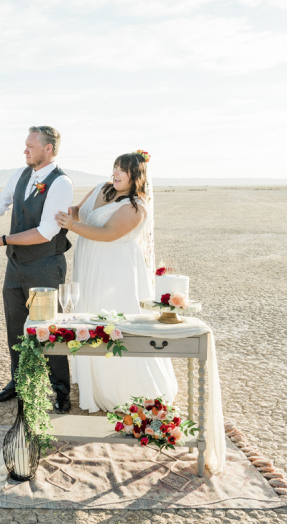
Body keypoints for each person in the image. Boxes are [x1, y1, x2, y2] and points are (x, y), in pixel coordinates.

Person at [0, 126, 75, 413]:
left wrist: (3, 240)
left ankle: (60, 390)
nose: (25, 150)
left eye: (30, 146)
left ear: (48, 149)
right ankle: (18, 383)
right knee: (16, 328)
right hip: (16, 266)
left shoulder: (61, 184)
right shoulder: (21, 176)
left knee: (50, 329)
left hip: (46, 266)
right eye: (25, 145)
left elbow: (47, 231)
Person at [54, 151, 177, 413]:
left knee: (109, 319)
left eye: (123, 170)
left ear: (137, 176)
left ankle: (118, 387)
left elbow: (108, 233)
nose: (116, 173)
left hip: (115, 271)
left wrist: (71, 226)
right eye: (115, 168)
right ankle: (91, 382)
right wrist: (65, 213)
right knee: (87, 313)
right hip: (89, 263)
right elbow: (78, 211)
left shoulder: (136, 207)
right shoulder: (101, 188)